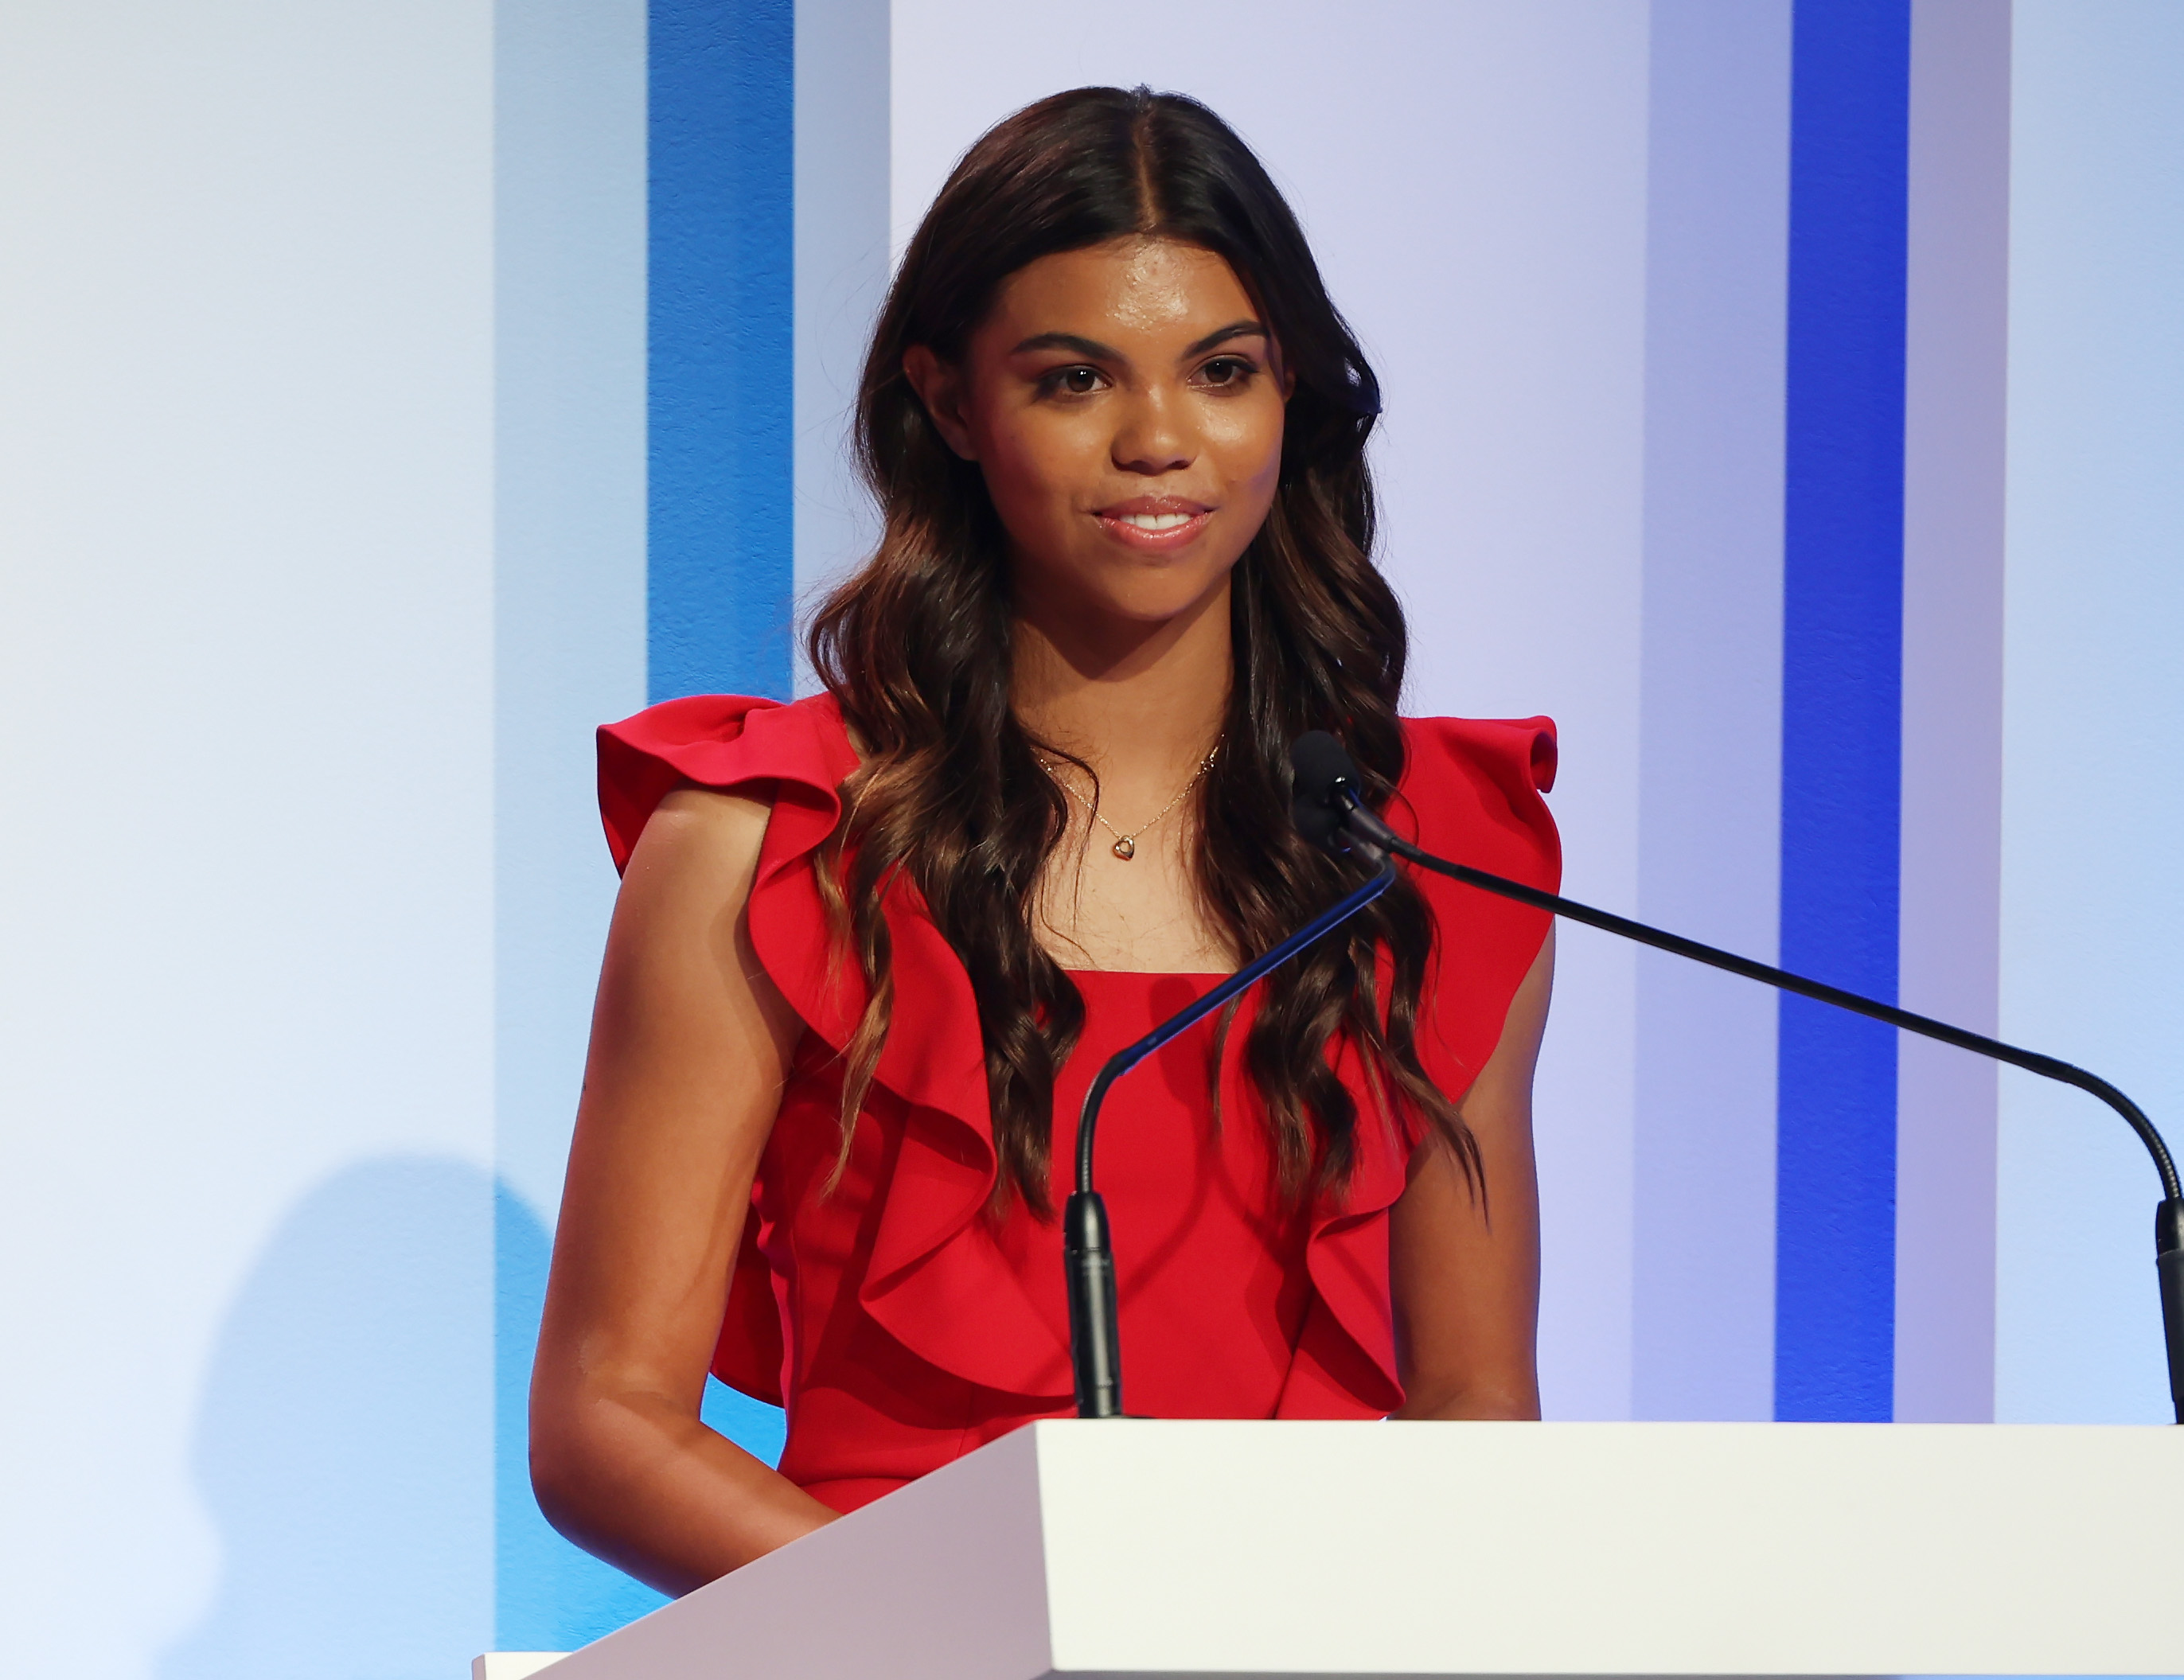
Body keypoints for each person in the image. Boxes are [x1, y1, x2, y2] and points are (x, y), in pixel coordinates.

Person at [529, 85, 1560, 1596]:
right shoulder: (773, 849)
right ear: (951, 403)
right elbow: (606, 1424)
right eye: (1076, 379)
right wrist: (978, 1639)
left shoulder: (1433, 864)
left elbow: (1475, 1411)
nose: (1160, 441)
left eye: (1222, 372)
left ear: (1293, 400)